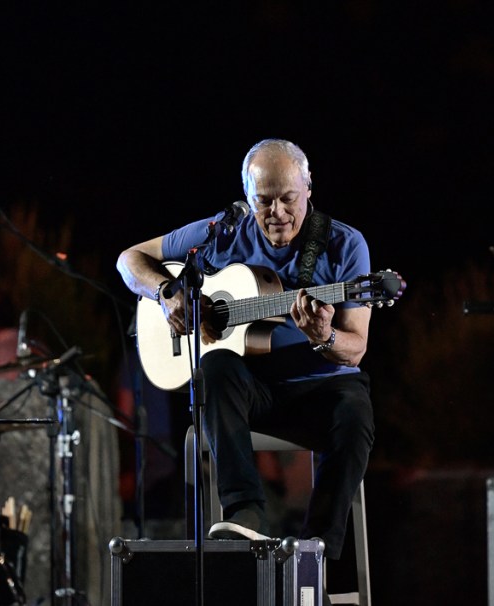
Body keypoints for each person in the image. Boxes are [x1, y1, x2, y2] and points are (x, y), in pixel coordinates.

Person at [116, 138, 386, 561]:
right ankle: (245, 515)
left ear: (309, 186)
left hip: (319, 391)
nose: (277, 212)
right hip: (250, 394)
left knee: (355, 415)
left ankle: (315, 555)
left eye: (288, 198)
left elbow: (356, 349)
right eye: (263, 200)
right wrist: (166, 293)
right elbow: (129, 259)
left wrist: (324, 335)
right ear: (246, 194)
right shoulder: (222, 233)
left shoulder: (345, 245)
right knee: (216, 366)